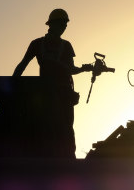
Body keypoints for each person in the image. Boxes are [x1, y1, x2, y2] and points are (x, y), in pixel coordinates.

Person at [13, 8, 92, 158]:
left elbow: (71, 69)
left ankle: (69, 159)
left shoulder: (66, 46)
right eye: (62, 24)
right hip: (47, 93)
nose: (64, 28)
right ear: (52, 24)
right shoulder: (37, 44)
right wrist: (11, 82)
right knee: (48, 127)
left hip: (64, 94)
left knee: (67, 129)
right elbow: (22, 65)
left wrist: (85, 68)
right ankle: (49, 159)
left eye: (65, 25)